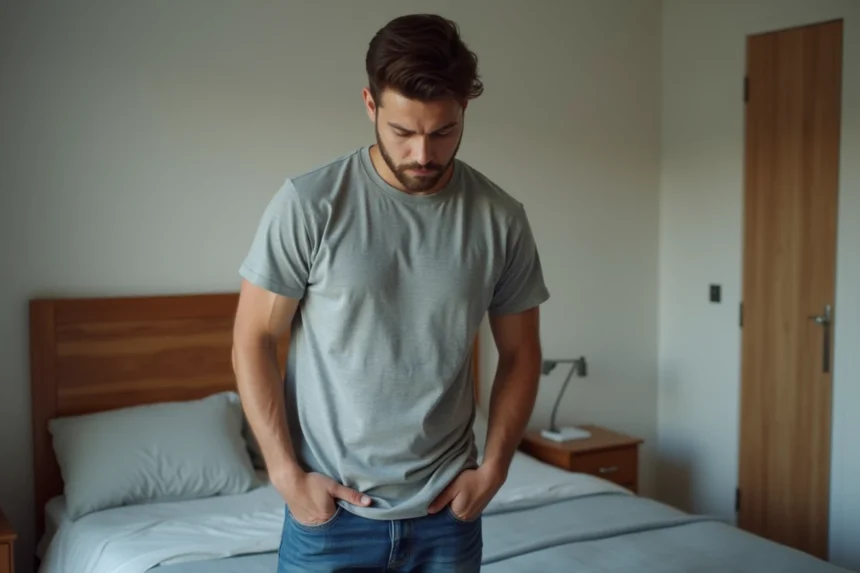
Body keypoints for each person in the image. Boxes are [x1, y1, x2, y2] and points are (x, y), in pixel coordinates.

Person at [232, 12, 549, 573]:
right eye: (403, 132)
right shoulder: (311, 205)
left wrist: (495, 467)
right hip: (330, 520)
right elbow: (254, 338)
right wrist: (284, 475)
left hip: (448, 517)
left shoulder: (500, 219)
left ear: (464, 112)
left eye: (442, 131)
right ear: (370, 105)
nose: (423, 154)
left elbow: (521, 353)